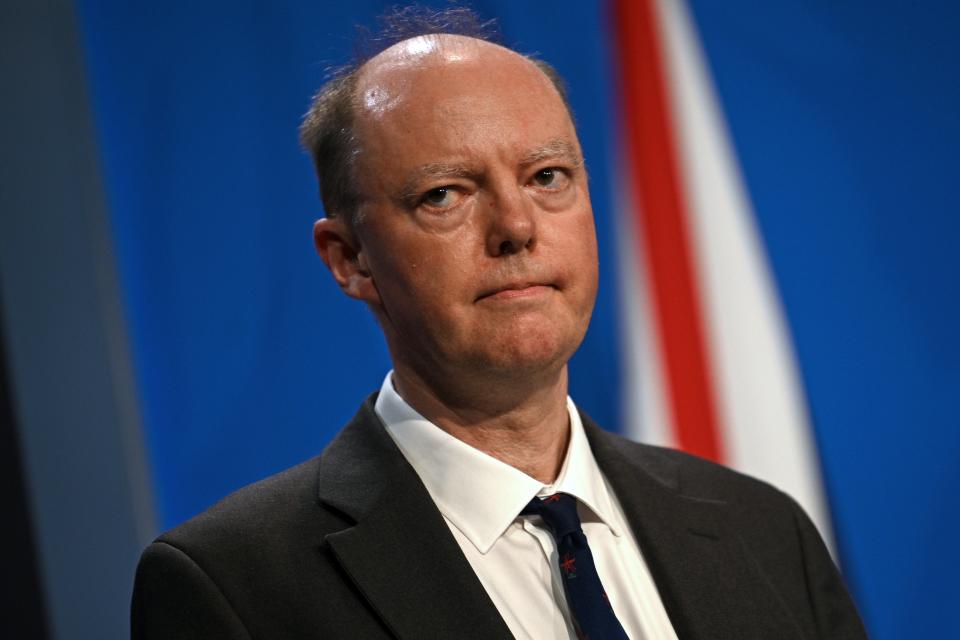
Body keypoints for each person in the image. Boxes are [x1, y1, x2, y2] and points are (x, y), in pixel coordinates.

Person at [131, 9, 867, 640]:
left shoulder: (762, 530)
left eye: (548, 177)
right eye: (445, 194)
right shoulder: (235, 587)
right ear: (350, 258)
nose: (517, 227)